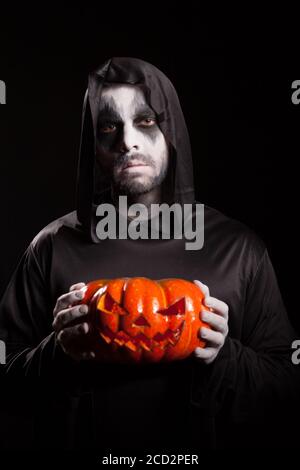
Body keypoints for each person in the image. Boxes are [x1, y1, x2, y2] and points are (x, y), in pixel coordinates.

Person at [0, 57, 298, 451]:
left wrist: (224, 356)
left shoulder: (238, 249)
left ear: (170, 130)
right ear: (94, 145)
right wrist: (58, 354)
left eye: (145, 121)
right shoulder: (52, 247)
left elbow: (288, 386)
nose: (127, 141)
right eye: (109, 127)